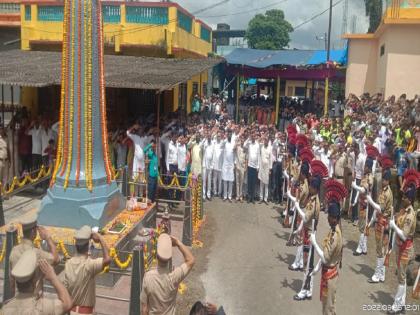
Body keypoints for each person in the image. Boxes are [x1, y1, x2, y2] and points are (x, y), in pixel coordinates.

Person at [2, 250, 72, 314]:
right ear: (34, 280)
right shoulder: (41, 308)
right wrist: (53, 277)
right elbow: (67, 303)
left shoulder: (5, 309)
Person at [61, 225, 111, 315]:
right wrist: (100, 238)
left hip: (71, 311)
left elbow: (65, 291)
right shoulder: (89, 265)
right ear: (88, 246)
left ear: (76, 245)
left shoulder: (68, 264)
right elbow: (107, 259)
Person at [140, 234, 195, 315]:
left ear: (156, 256)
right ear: (170, 258)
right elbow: (191, 260)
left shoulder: (148, 277)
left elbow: (144, 309)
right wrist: (178, 243)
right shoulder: (175, 275)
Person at [9, 214, 59, 297]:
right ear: (33, 232)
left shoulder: (14, 251)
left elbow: (11, 281)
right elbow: (56, 259)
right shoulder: (37, 253)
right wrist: (48, 238)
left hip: (18, 296)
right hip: (33, 298)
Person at [388, 179, 418, 314]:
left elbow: (404, 235)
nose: (403, 198)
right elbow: (396, 218)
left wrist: (393, 226)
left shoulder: (410, 215)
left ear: (410, 200)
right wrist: (393, 218)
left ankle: (396, 305)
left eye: (405, 197)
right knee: (402, 276)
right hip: (400, 246)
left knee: (401, 277)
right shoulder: (403, 210)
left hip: (405, 248)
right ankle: (402, 303)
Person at [310, 201, 343, 315]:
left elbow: (325, 258)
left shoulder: (335, 236)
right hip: (327, 272)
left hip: (330, 275)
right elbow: (325, 253)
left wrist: (314, 243)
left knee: (328, 308)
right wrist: (317, 268)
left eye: (329, 216)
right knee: (328, 305)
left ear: (334, 218)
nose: (327, 218)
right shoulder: (332, 230)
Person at [293, 175, 321, 301]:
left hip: (309, 235)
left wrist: (297, 206)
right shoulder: (313, 199)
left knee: (306, 263)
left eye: (311, 186)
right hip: (310, 233)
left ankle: (304, 290)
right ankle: (309, 289)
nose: (309, 187)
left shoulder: (314, 202)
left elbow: (305, 218)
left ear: (315, 188)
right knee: (309, 263)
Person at [368, 164, 394, 284]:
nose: (382, 181)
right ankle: (382, 273)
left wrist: (370, 201)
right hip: (382, 221)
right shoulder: (384, 191)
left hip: (383, 222)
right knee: (382, 248)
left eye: (384, 179)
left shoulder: (387, 193)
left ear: (388, 181)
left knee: (380, 249)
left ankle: (378, 274)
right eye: (383, 179)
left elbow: (380, 208)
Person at [353, 157, 374, 256]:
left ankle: (359, 248)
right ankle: (364, 247)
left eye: (365, 166)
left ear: (368, 167)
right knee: (364, 226)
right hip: (363, 203)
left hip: (365, 205)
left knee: (362, 226)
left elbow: (363, 190)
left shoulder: (368, 177)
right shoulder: (366, 176)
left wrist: (354, 186)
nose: (364, 167)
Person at [244, 133, 260, 203]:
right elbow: (244, 145)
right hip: (249, 165)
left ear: (255, 137)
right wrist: (248, 138)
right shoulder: (249, 144)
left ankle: (252, 198)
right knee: (249, 182)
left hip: (255, 166)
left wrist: (258, 166)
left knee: (254, 183)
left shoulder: (257, 145)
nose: (253, 137)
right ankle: (249, 197)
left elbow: (259, 156)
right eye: (252, 136)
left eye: (254, 136)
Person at [221, 130, 235, 202]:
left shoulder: (233, 142)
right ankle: (225, 196)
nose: (229, 135)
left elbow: (234, 153)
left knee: (230, 181)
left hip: (231, 164)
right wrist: (225, 139)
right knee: (225, 181)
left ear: (232, 135)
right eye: (228, 134)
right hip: (225, 164)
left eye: (230, 134)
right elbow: (221, 145)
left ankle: (229, 197)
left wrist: (234, 163)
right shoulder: (225, 142)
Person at [258, 136, 272, 204]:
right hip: (261, 167)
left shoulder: (270, 148)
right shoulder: (261, 147)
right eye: (264, 140)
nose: (265, 141)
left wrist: (270, 169)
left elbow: (271, 159)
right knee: (261, 183)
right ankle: (261, 198)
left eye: (266, 140)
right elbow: (259, 157)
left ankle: (265, 198)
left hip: (267, 168)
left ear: (268, 141)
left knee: (266, 183)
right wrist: (258, 166)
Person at [201, 133, 214, 200]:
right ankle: (203, 195)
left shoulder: (213, 144)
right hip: (204, 165)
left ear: (211, 137)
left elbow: (213, 155)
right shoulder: (204, 143)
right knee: (204, 181)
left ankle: (208, 195)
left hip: (210, 165)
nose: (209, 137)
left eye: (210, 136)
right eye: (208, 136)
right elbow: (200, 146)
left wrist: (212, 165)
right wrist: (204, 139)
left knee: (209, 181)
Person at [234, 137, 247, 202]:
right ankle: (237, 196)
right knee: (237, 182)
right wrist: (237, 142)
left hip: (243, 167)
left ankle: (241, 196)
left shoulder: (245, 149)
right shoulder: (237, 147)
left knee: (241, 182)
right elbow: (233, 148)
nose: (242, 142)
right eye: (241, 141)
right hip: (237, 167)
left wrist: (245, 167)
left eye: (243, 141)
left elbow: (246, 158)